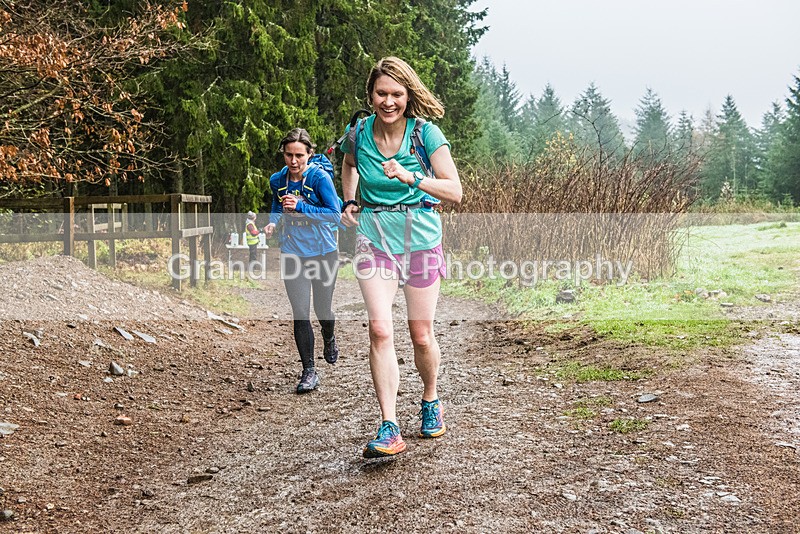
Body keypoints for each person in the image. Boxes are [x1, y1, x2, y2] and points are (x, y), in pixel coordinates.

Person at [339, 57, 463, 458]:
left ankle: (430, 398)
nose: (388, 102)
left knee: (421, 334)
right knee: (379, 330)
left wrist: (413, 177)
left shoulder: (425, 134)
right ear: (370, 95)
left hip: (421, 240)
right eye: (381, 93)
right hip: (374, 239)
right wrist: (349, 200)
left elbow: (455, 191)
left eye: (396, 94)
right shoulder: (358, 133)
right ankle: (389, 425)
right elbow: (348, 164)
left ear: (408, 96)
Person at [264, 128, 342, 393]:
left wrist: (300, 206)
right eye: (289, 155)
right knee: (300, 312)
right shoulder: (278, 180)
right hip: (292, 251)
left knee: (323, 310)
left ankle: (329, 335)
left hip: (323, 252)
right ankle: (309, 371)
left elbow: (334, 215)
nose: (293, 161)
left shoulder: (320, 178)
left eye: (299, 155)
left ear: (310, 154)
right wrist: (273, 223)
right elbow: (277, 205)